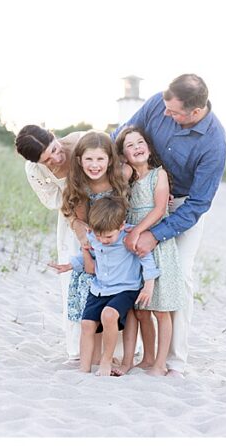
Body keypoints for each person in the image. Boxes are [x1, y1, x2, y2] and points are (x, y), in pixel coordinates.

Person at [113, 73, 226, 377]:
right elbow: (122, 135)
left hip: (181, 206)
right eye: (165, 107)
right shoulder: (156, 104)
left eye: (173, 111)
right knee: (125, 269)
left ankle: (174, 361)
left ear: (195, 111)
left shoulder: (214, 142)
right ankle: (123, 353)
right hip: (138, 194)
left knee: (180, 277)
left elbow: (199, 204)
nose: (165, 114)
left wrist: (156, 234)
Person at [49, 196, 159, 377]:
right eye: (99, 235)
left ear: (121, 226)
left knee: (108, 315)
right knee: (86, 323)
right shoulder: (94, 236)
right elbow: (87, 256)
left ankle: (106, 361)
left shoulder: (130, 237)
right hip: (99, 287)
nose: (103, 240)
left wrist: (148, 286)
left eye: (108, 236)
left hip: (125, 289)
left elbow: (147, 260)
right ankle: (83, 369)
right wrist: (68, 265)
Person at [116, 126, 188, 376]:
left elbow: (159, 210)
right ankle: (146, 358)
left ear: (148, 146)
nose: (137, 147)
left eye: (140, 142)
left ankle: (160, 363)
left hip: (157, 243)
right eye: (130, 145)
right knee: (140, 309)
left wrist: (137, 232)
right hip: (133, 249)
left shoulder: (159, 175)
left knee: (160, 307)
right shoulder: (127, 178)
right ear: (123, 154)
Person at [59, 131, 133, 367]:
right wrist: (84, 241)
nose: (94, 165)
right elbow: (78, 220)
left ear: (110, 160)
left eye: (100, 159)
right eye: (89, 159)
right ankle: (90, 356)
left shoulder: (122, 177)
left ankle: (110, 356)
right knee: (90, 304)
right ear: (79, 160)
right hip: (93, 249)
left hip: (118, 251)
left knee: (114, 306)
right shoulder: (79, 185)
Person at [15, 125, 88, 361]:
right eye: (47, 160)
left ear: (54, 136)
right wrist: (78, 225)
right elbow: (56, 200)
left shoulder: (83, 140)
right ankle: (80, 348)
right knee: (74, 281)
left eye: (55, 150)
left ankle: (115, 347)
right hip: (70, 220)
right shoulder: (34, 170)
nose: (56, 159)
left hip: (105, 212)